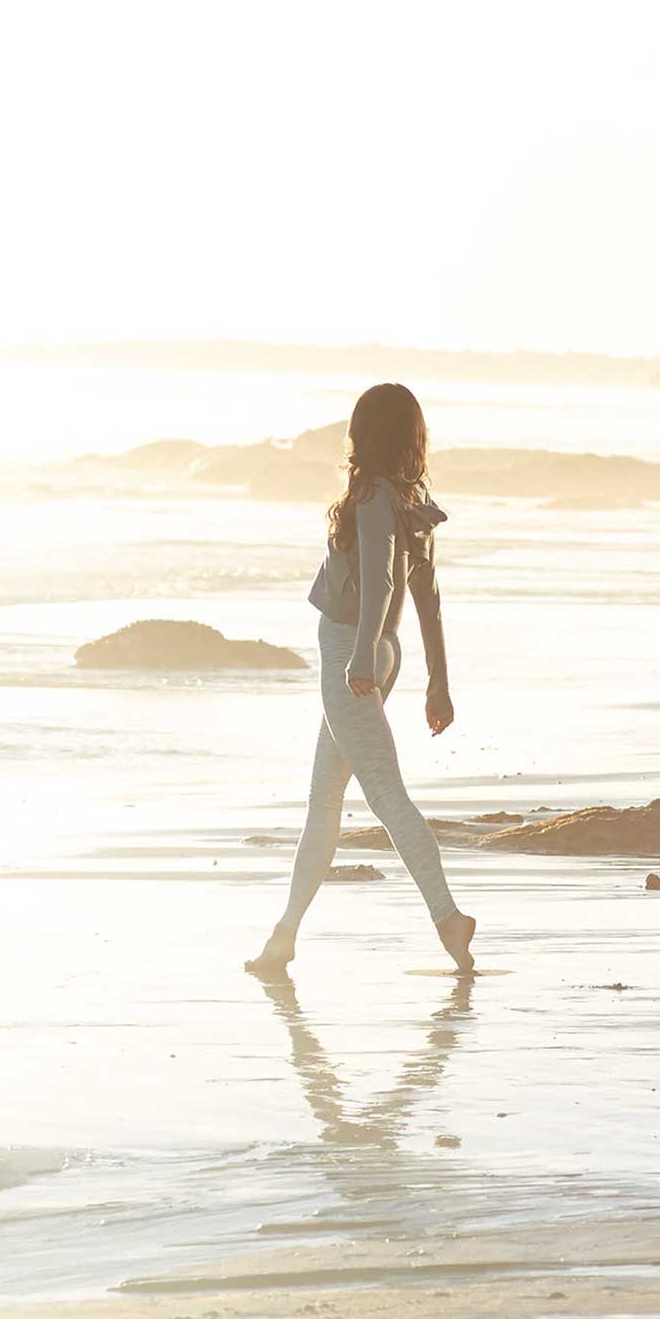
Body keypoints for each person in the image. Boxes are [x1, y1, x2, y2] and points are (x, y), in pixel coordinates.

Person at [250, 383, 477, 975]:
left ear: (367, 434)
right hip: (383, 651)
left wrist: (356, 656)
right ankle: (282, 939)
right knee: (324, 799)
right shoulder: (413, 503)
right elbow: (428, 599)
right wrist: (437, 682)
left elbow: (378, 581)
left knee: (383, 794)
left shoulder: (374, 496)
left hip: (352, 650)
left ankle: (449, 919)